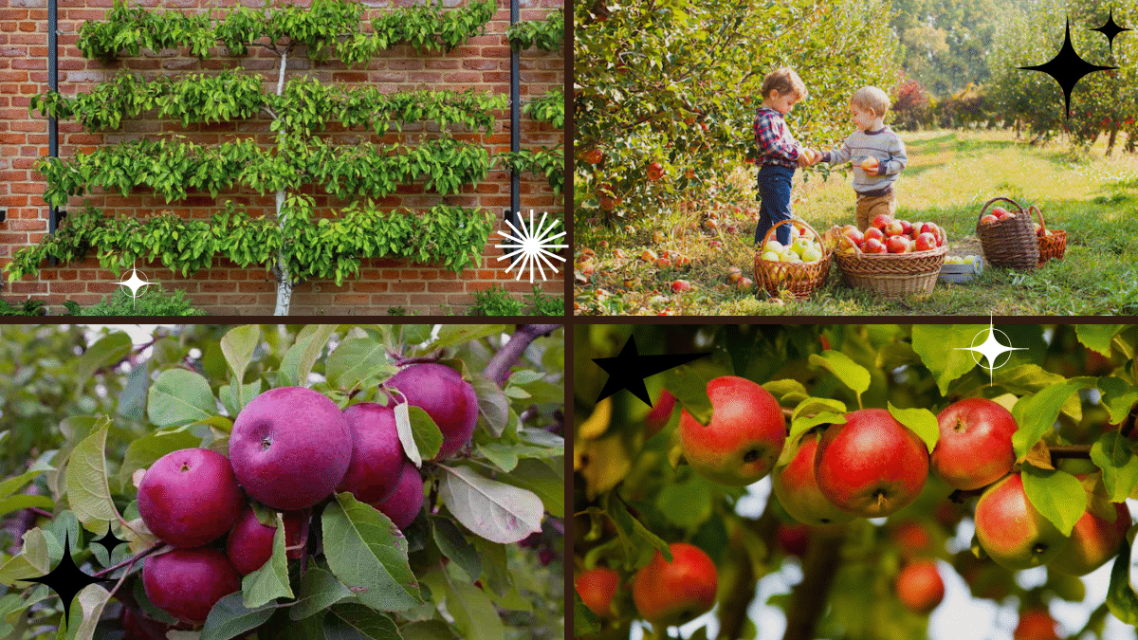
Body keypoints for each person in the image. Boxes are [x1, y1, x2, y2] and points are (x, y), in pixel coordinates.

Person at [808, 86, 908, 232]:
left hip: (882, 198)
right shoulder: (855, 138)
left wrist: (882, 168)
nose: (853, 119)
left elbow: (900, 162)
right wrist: (822, 156)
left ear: (870, 113)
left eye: (855, 114)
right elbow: (842, 155)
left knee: (877, 237)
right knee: (863, 237)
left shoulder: (890, 139)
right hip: (861, 199)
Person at [752, 67, 817, 248]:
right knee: (783, 218)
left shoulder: (775, 117)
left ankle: (760, 251)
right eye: (789, 103)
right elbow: (772, 145)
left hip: (777, 175)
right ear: (774, 95)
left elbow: (785, 142)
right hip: (774, 176)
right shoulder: (766, 118)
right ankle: (786, 254)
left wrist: (800, 149)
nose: (790, 108)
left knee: (767, 216)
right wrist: (796, 153)